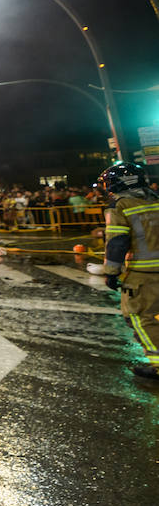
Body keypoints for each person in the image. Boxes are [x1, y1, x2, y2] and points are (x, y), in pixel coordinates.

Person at [91, 163, 159, 380]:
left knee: (139, 316)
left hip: (145, 273)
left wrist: (111, 272)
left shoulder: (120, 206)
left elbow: (117, 242)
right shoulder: (156, 200)